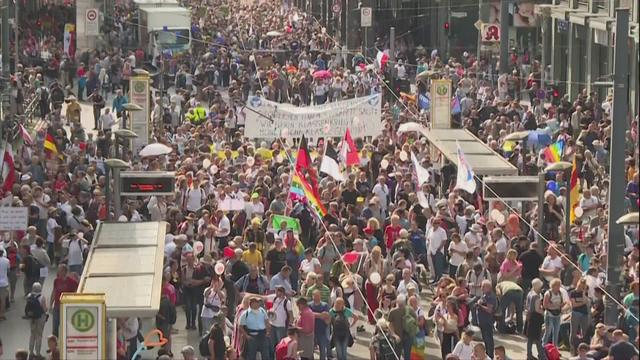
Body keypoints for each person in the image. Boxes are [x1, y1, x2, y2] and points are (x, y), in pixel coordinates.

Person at [388, 294, 415, 360]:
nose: (400, 307)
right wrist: (394, 335)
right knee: (396, 355)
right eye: (399, 305)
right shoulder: (393, 311)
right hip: (398, 337)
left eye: (402, 305)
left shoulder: (410, 310)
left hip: (408, 336)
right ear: (397, 302)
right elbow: (390, 324)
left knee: (407, 355)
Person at [525, 278, 547, 360]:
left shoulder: (530, 293)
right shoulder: (537, 296)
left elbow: (527, 305)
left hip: (530, 316)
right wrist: (543, 311)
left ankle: (529, 354)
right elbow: (538, 309)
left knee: (530, 338)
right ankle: (541, 355)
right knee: (537, 337)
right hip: (536, 318)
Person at [26, 282, 48, 359]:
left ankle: (31, 353)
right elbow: (45, 309)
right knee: (39, 335)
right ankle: (38, 353)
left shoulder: (29, 296)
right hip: (40, 317)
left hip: (32, 318)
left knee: (32, 335)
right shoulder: (42, 297)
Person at [476, 280, 496, 359]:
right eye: (482, 286)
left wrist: (480, 305)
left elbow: (489, 310)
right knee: (485, 339)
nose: (482, 288)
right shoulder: (484, 295)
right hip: (482, 321)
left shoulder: (490, 297)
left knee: (488, 340)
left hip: (487, 321)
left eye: (484, 286)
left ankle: (490, 355)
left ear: (489, 287)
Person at [308, 289, 331, 360]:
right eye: (315, 296)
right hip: (312, 330)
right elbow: (308, 314)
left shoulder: (325, 305)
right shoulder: (309, 305)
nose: (316, 297)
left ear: (320, 296)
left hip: (322, 330)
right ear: (312, 296)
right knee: (310, 351)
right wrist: (320, 315)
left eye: (318, 296)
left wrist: (315, 315)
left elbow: (326, 316)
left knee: (322, 350)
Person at [0, 249, 9, 320]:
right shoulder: (6, 261)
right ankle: (2, 314)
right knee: (3, 300)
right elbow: (8, 270)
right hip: (3, 283)